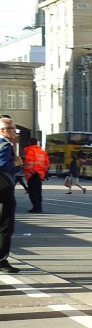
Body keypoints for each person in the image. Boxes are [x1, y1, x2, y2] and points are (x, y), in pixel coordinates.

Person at [0, 116, 23, 273]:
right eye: (13, 129)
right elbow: (2, 166)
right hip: (3, 190)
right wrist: (16, 163)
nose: (15, 132)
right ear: (3, 130)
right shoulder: (5, 145)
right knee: (5, 225)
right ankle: (1, 260)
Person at [22, 135, 49, 213]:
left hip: (32, 174)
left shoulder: (30, 151)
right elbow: (47, 164)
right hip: (40, 174)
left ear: (29, 143)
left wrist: (29, 171)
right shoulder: (42, 152)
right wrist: (43, 172)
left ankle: (35, 207)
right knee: (38, 192)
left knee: (32, 192)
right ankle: (39, 207)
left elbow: (28, 162)